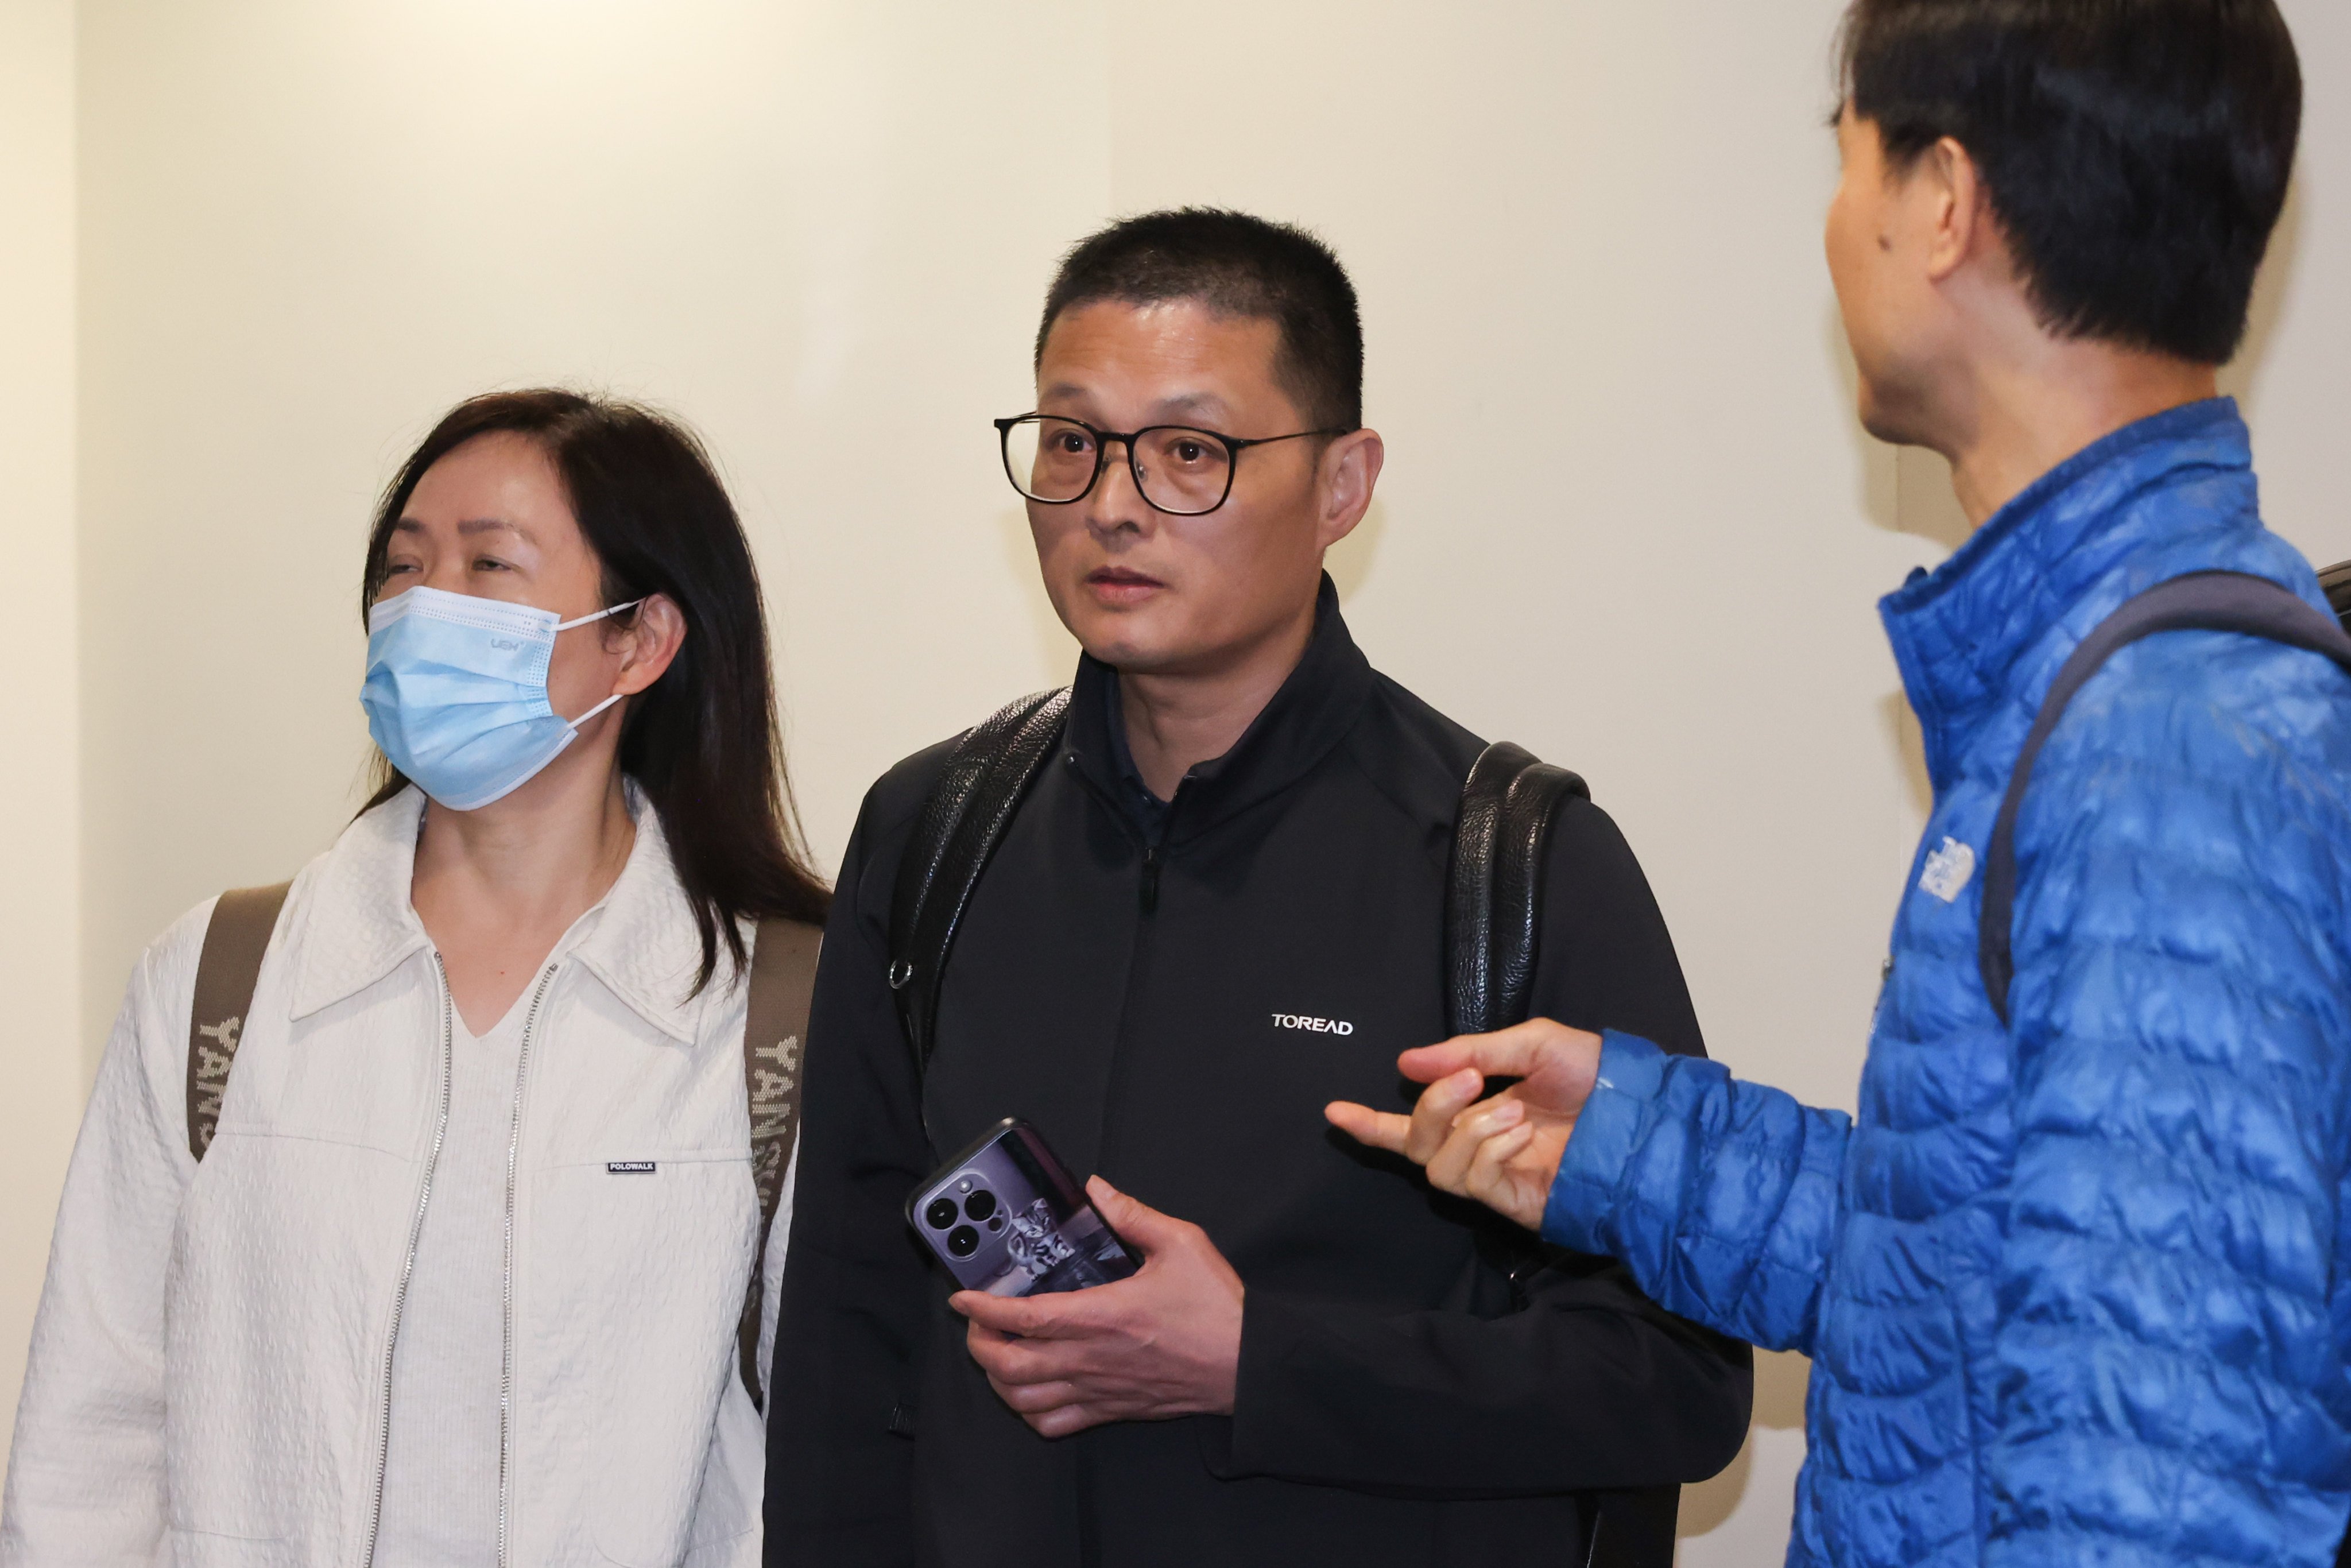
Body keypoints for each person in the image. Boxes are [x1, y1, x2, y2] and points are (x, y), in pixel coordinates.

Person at [1330, 2, 2351, 1565]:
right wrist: (1623, 1143)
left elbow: (2160, 1493)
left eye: (1850, 167)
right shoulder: (2102, 684)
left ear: (1942, 203)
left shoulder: (2166, 747)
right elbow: (1969, 1287)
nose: (1834, 228)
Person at [766, 209, 1751, 1568]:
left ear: (1341, 485)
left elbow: (1677, 1380)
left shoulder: (1510, 861)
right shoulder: (933, 831)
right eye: (1070, 442)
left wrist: (1257, 1361)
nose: (1111, 503)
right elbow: (842, 1336)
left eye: (1188, 451)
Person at [1, 390, 831, 1567]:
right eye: (402, 569)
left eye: (489, 565)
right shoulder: (218, 985)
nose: (421, 609)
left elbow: (832, 1453)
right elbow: (91, 1436)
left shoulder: (773, 1019)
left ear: (637, 640)